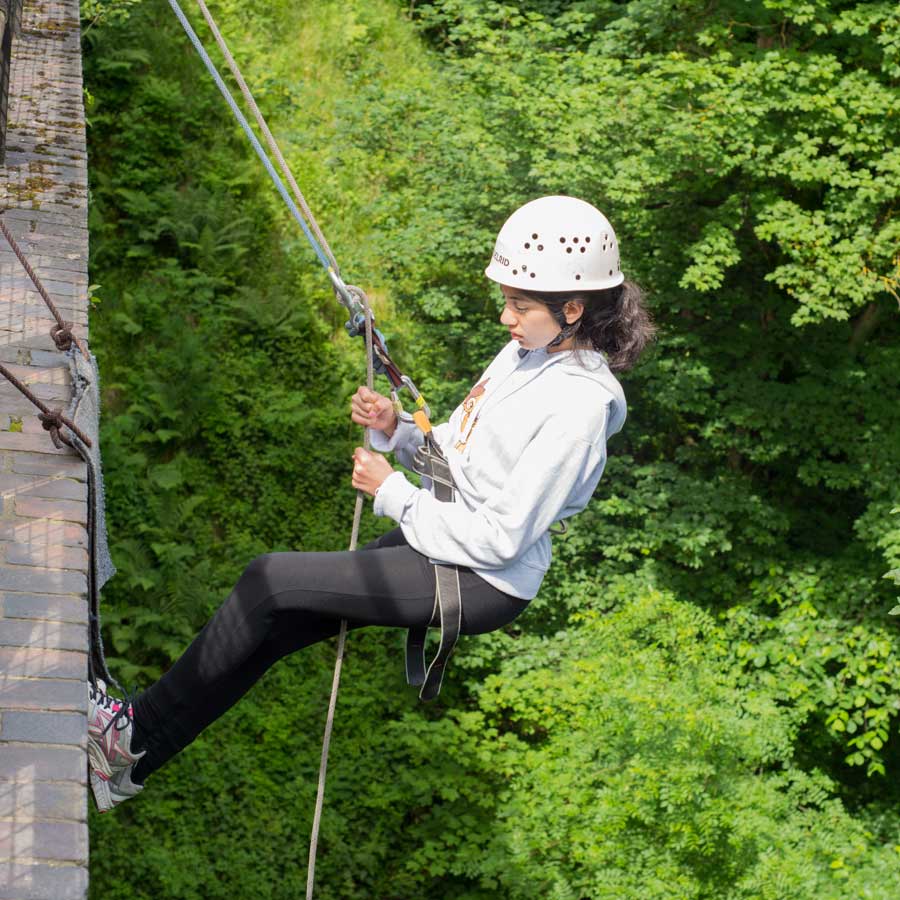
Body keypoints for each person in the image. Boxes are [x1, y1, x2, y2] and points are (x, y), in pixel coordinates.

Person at [86, 195, 655, 811]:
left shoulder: (579, 409)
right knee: (276, 622)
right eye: (506, 302)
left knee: (271, 581)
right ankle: (130, 758)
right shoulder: (527, 354)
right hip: (444, 540)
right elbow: (460, 466)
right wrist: (399, 432)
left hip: (481, 575)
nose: (505, 318)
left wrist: (391, 492)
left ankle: (126, 734)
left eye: (519, 305)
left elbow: (502, 536)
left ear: (573, 309)